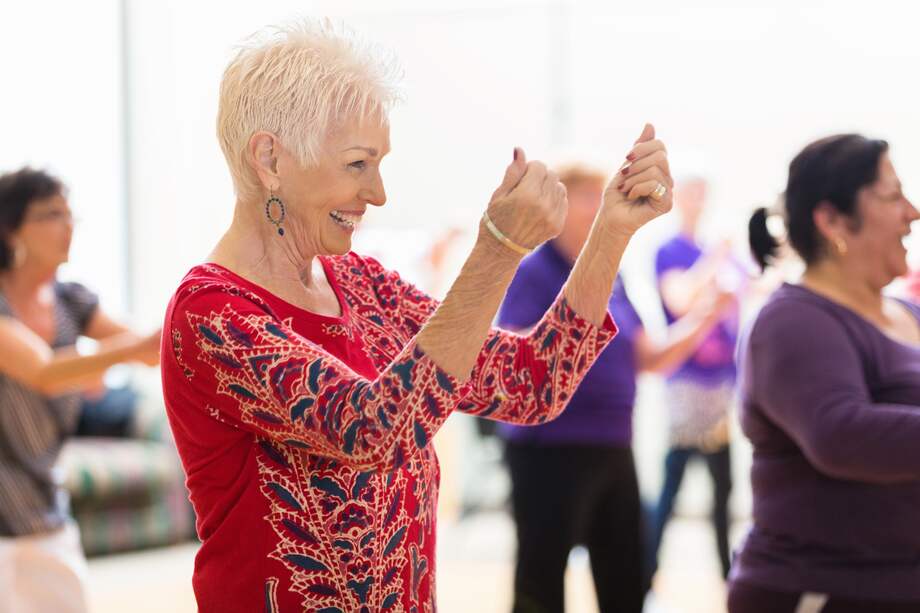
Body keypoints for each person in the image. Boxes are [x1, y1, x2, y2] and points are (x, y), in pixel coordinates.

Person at [158, 21, 675, 612]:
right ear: (270, 158)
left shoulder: (361, 283)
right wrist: (497, 249)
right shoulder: (211, 312)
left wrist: (611, 230)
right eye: (357, 164)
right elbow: (375, 432)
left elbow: (533, 382)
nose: (377, 193)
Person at [496, 163, 732, 613]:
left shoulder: (612, 277)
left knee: (626, 580)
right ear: (559, 205)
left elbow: (649, 358)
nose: (601, 208)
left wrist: (706, 315)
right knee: (541, 580)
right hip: (548, 448)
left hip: (613, 444)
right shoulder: (533, 271)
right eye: (589, 197)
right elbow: (514, 357)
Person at [728, 134, 920, 612]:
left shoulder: (908, 313)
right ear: (832, 220)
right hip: (821, 592)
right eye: (893, 196)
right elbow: (841, 434)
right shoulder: (793, 321)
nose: (913, 213)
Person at [0, 167, 161, 613]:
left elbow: (149, 351)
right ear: (11, 228)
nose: (68, 225)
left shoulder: (71, 301)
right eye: (52, 214)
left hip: (43, 505)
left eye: (70, 214)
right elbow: (43, 371)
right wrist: (118, 354)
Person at [648, 176, 742, 581]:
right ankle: (647, 574)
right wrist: (716, 260)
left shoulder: (715, 253)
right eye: (691, 191)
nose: (698, 200)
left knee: (724, 490)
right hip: (686, 385)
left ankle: (728, 578)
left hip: (720, 385)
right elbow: (680, 299)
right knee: (673, 484)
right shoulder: (670, 250)